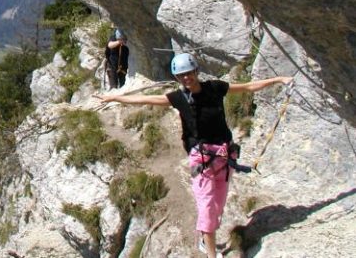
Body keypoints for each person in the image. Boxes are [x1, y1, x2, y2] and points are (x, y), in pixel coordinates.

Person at [97, 53, 292, 258]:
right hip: (202, 160)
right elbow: (147, 99)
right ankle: (210, 254)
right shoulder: (179, 98)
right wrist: (115, 97)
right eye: (181, 76)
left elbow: (247, 87)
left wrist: (278, 80)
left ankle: (204, 236)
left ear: (196, 72)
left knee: (217, 207)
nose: (186, 78)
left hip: (224, 156)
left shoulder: (215, 88)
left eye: (189, 73)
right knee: (207, 207)